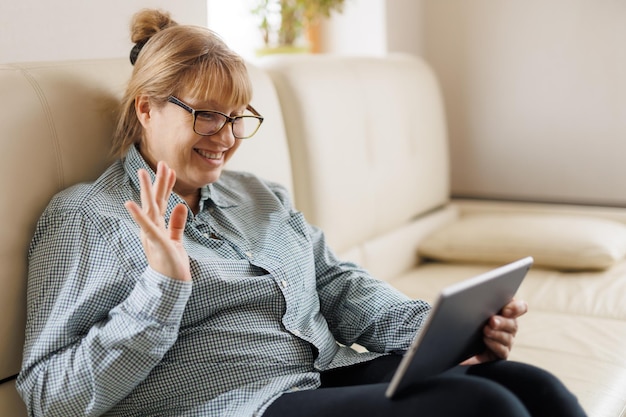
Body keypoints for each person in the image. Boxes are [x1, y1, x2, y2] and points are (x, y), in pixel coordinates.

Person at [17, 9, 587, 417]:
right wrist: (161, 289)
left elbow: (336, 284)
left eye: (239, 116)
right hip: (236, 403)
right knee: (482, 406)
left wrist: (438, 332)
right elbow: (49, 397)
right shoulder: (87, 218)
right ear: (146, 108)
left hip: (324, 374)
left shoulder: (258, 195)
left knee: (530, 386)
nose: (227, 137)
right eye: (207, 115)